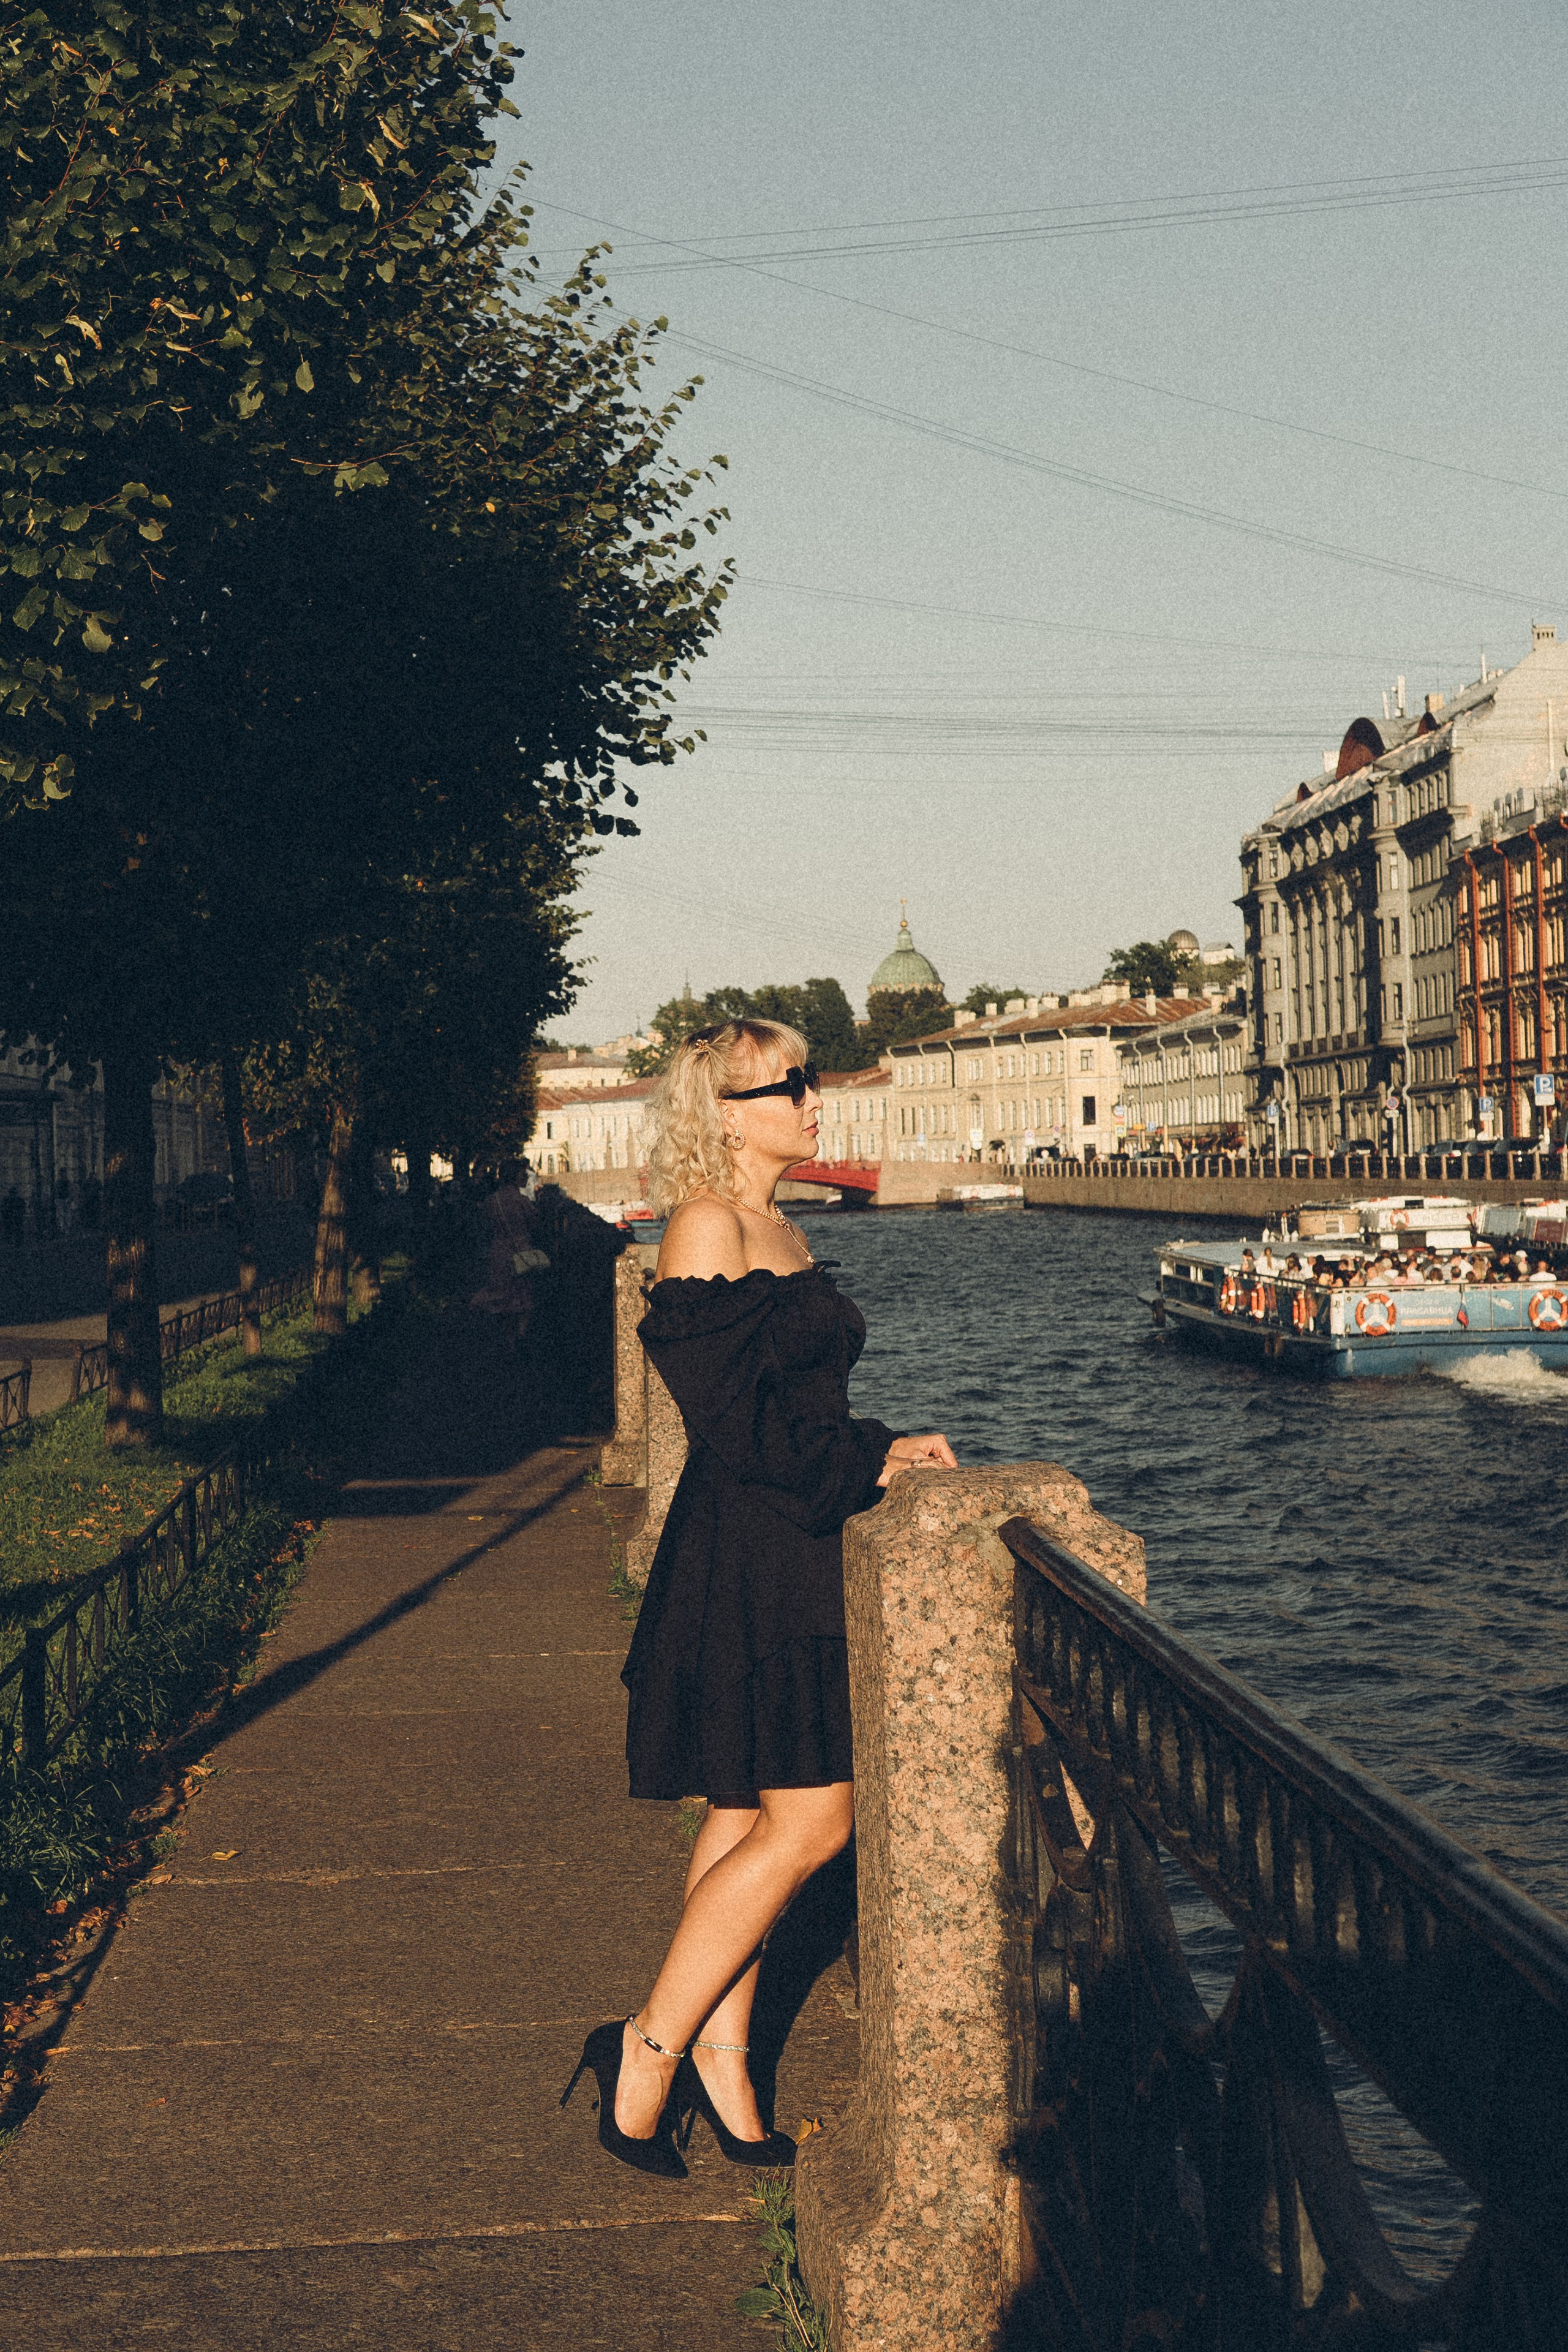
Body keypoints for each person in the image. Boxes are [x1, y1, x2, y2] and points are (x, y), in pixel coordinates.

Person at [562, 1020, 955, 2179]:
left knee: (742, 1814)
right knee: (814, 1821)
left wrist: (882, 1445)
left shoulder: (781, 1227)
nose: (814, 1100)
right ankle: (643, 2046)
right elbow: (734, 1431)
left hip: (798, 1544)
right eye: (794, 1085)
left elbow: (805, 1410)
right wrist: (871, 1461)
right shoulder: (705, 1226)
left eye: (813, 1080)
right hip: (748, 1559)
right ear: (732, 1111)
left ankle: (725, 2063)